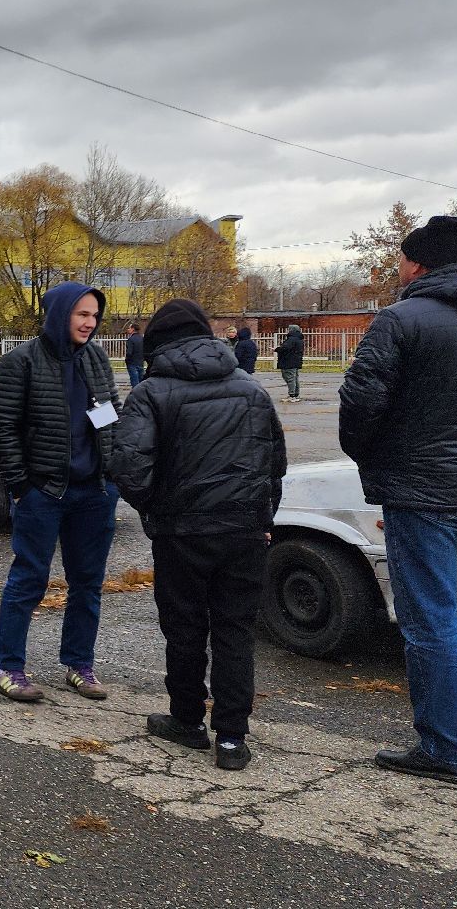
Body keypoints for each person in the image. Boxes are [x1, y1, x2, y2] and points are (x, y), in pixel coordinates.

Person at [340, 214, 457, 785]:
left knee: (431, 617)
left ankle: (447, 748)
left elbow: (360, 404)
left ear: (418, 264)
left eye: (400, 260)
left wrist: (374, 458)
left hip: (422, 492)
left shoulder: (400, 320)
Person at [112, 299, 286, 771]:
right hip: (245, 531)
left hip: (182, 533)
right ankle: (232, 738)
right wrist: (263, 519)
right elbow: (275, 464)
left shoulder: (150, 393)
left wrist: (158, 510)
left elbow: (129, 468)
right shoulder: (251, 390)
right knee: (235, 630)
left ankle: (187, 719)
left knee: (184, 628)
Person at [0, 281, 122, 703]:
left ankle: (79, 665)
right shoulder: (20, 362)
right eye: (82, 314)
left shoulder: (97, 360)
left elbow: (110, 417)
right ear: (60, 314)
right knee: (29, 579)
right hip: (43, 493)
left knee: (88, 583)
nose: (90, 322)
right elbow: (2, 428)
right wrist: (22, 486)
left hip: (94, 494)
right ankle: (8, 667)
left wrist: (113, 476)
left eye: (94, 315)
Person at [276, 324, 305, 403]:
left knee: (290, 378)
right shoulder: (299, 339)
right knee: (295, 378)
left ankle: (292, 395)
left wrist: (277, 349)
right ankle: (296, 394)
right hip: (296, 361)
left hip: (288, 361)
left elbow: (285, 348)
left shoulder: (291, 339)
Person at [124, 323, 146, 389]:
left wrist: (127, 360)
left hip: (132, 363)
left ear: (133, 329)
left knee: (134, 382)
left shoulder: (131, 340)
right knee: (141, 381)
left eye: (129, 328)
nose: (128, 329)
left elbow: (129, 352)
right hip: (140, 362)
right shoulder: (142, 339)